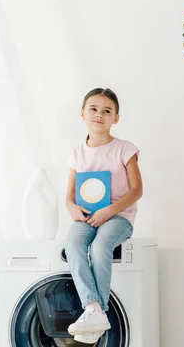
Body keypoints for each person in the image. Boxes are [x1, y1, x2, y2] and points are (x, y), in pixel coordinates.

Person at [65, 88, 143, 343]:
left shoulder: (124, 149)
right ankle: (93, 309)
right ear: (83, 114)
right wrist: (73, 209)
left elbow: (137, 190)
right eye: (94, 109)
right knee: (74, 243)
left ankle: (99, 313)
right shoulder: (77, 153)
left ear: (115, 118)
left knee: (100, 247)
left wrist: (109, 211)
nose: (99, 115)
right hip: (86, 216)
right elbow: (69, 196)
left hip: (119, 217)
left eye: (107, 111)